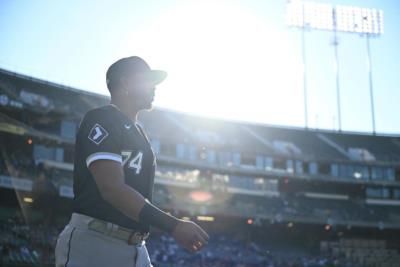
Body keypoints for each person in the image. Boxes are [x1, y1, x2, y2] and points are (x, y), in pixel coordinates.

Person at [55, 56, 209, 267]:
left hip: (136, 247)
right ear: (126, 83)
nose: (154, 87)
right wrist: (173, 225)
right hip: (96, 242)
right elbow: (112, 188)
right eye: (147, 80)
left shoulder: (140, 133)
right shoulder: (101, 118)